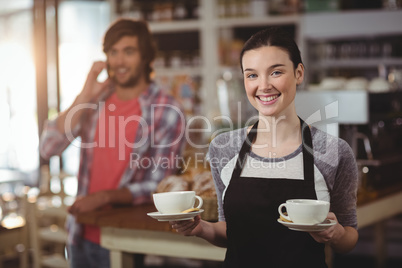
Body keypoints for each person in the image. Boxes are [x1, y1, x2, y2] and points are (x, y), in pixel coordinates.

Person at [171, 27, 359, 267]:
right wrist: (201, 228)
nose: (264, 85)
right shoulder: (224, 148)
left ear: (299, 73)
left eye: (276, 72)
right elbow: (231, 231)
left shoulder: (333, 151)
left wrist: (338, 234)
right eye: (252, 75)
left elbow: (350, 237)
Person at [40, 18, 186, 267]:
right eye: (113, 52)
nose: (119, 61)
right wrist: (84, 95)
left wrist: (105, 197)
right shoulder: (95, 102)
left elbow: (160, 185)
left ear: (145, 57)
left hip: (126, 239)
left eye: (128, 52)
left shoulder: (167, 110)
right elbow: (47, 147)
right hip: (79, 233)